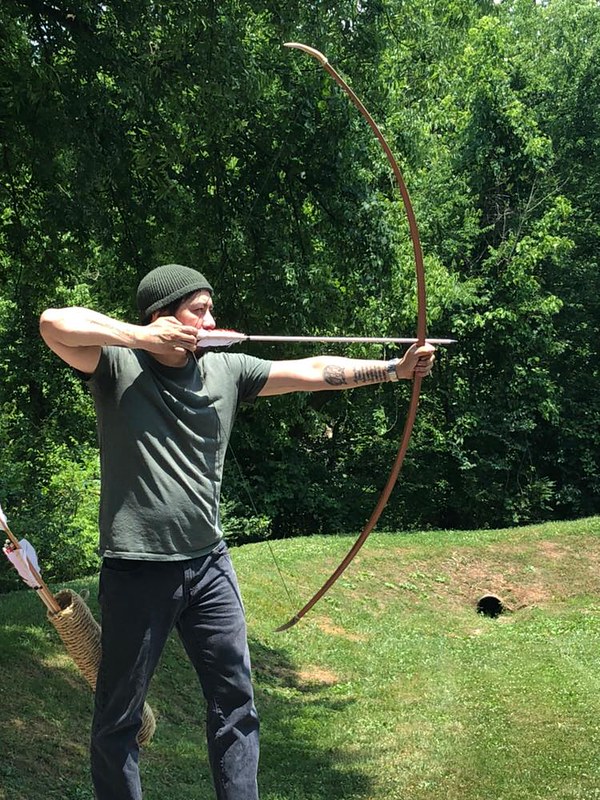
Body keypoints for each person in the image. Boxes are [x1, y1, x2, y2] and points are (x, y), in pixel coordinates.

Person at [39, 263, 435, 800]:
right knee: (118, 717)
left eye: (210, 309)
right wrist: (139, 336)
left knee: (236, 703)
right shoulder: (115, 365)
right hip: (136, 569)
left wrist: (393, 368)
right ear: (163, 316)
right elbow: (52, 323)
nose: (211, 318)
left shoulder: (226, 369)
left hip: (209, 567)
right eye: (197, 309)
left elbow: (313, 369)